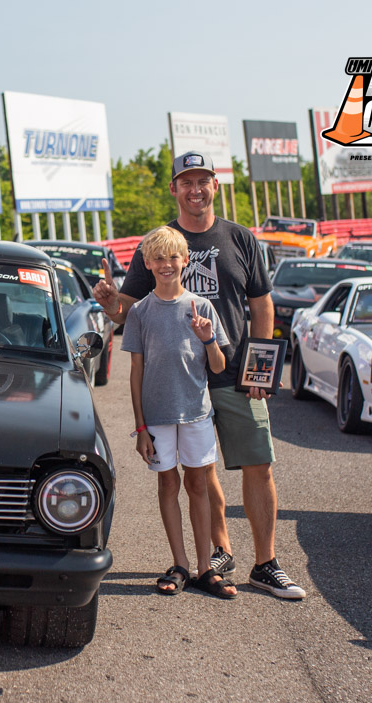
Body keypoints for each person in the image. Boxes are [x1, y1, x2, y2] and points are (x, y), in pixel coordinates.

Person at [93, 151, 306, 600]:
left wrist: (259, 368)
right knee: (198, 471)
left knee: (258, 463)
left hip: (231, 372)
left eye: (203, 180)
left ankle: (265, 563)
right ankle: (219, 552)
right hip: (178, 381)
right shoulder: (157, 245)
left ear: (214, 184)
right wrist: (111, 304)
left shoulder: (239, 238)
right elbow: (132, 309)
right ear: (174, 188)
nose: (195, 189)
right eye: (186, 182)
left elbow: (261, 304)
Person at [122, 226, 236, 598]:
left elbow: (218, 367)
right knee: (168, 484)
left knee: (198, 483)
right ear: (147, 263)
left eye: (173, 257)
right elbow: (136, 371)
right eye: (158, 258)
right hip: (156, 416)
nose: (166, 264)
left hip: (196, 413)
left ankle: (206, 568)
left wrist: (207, 339)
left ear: (185, 260)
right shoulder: (140, 311)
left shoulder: (202, 308)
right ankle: (181, 563)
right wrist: (140, 427)